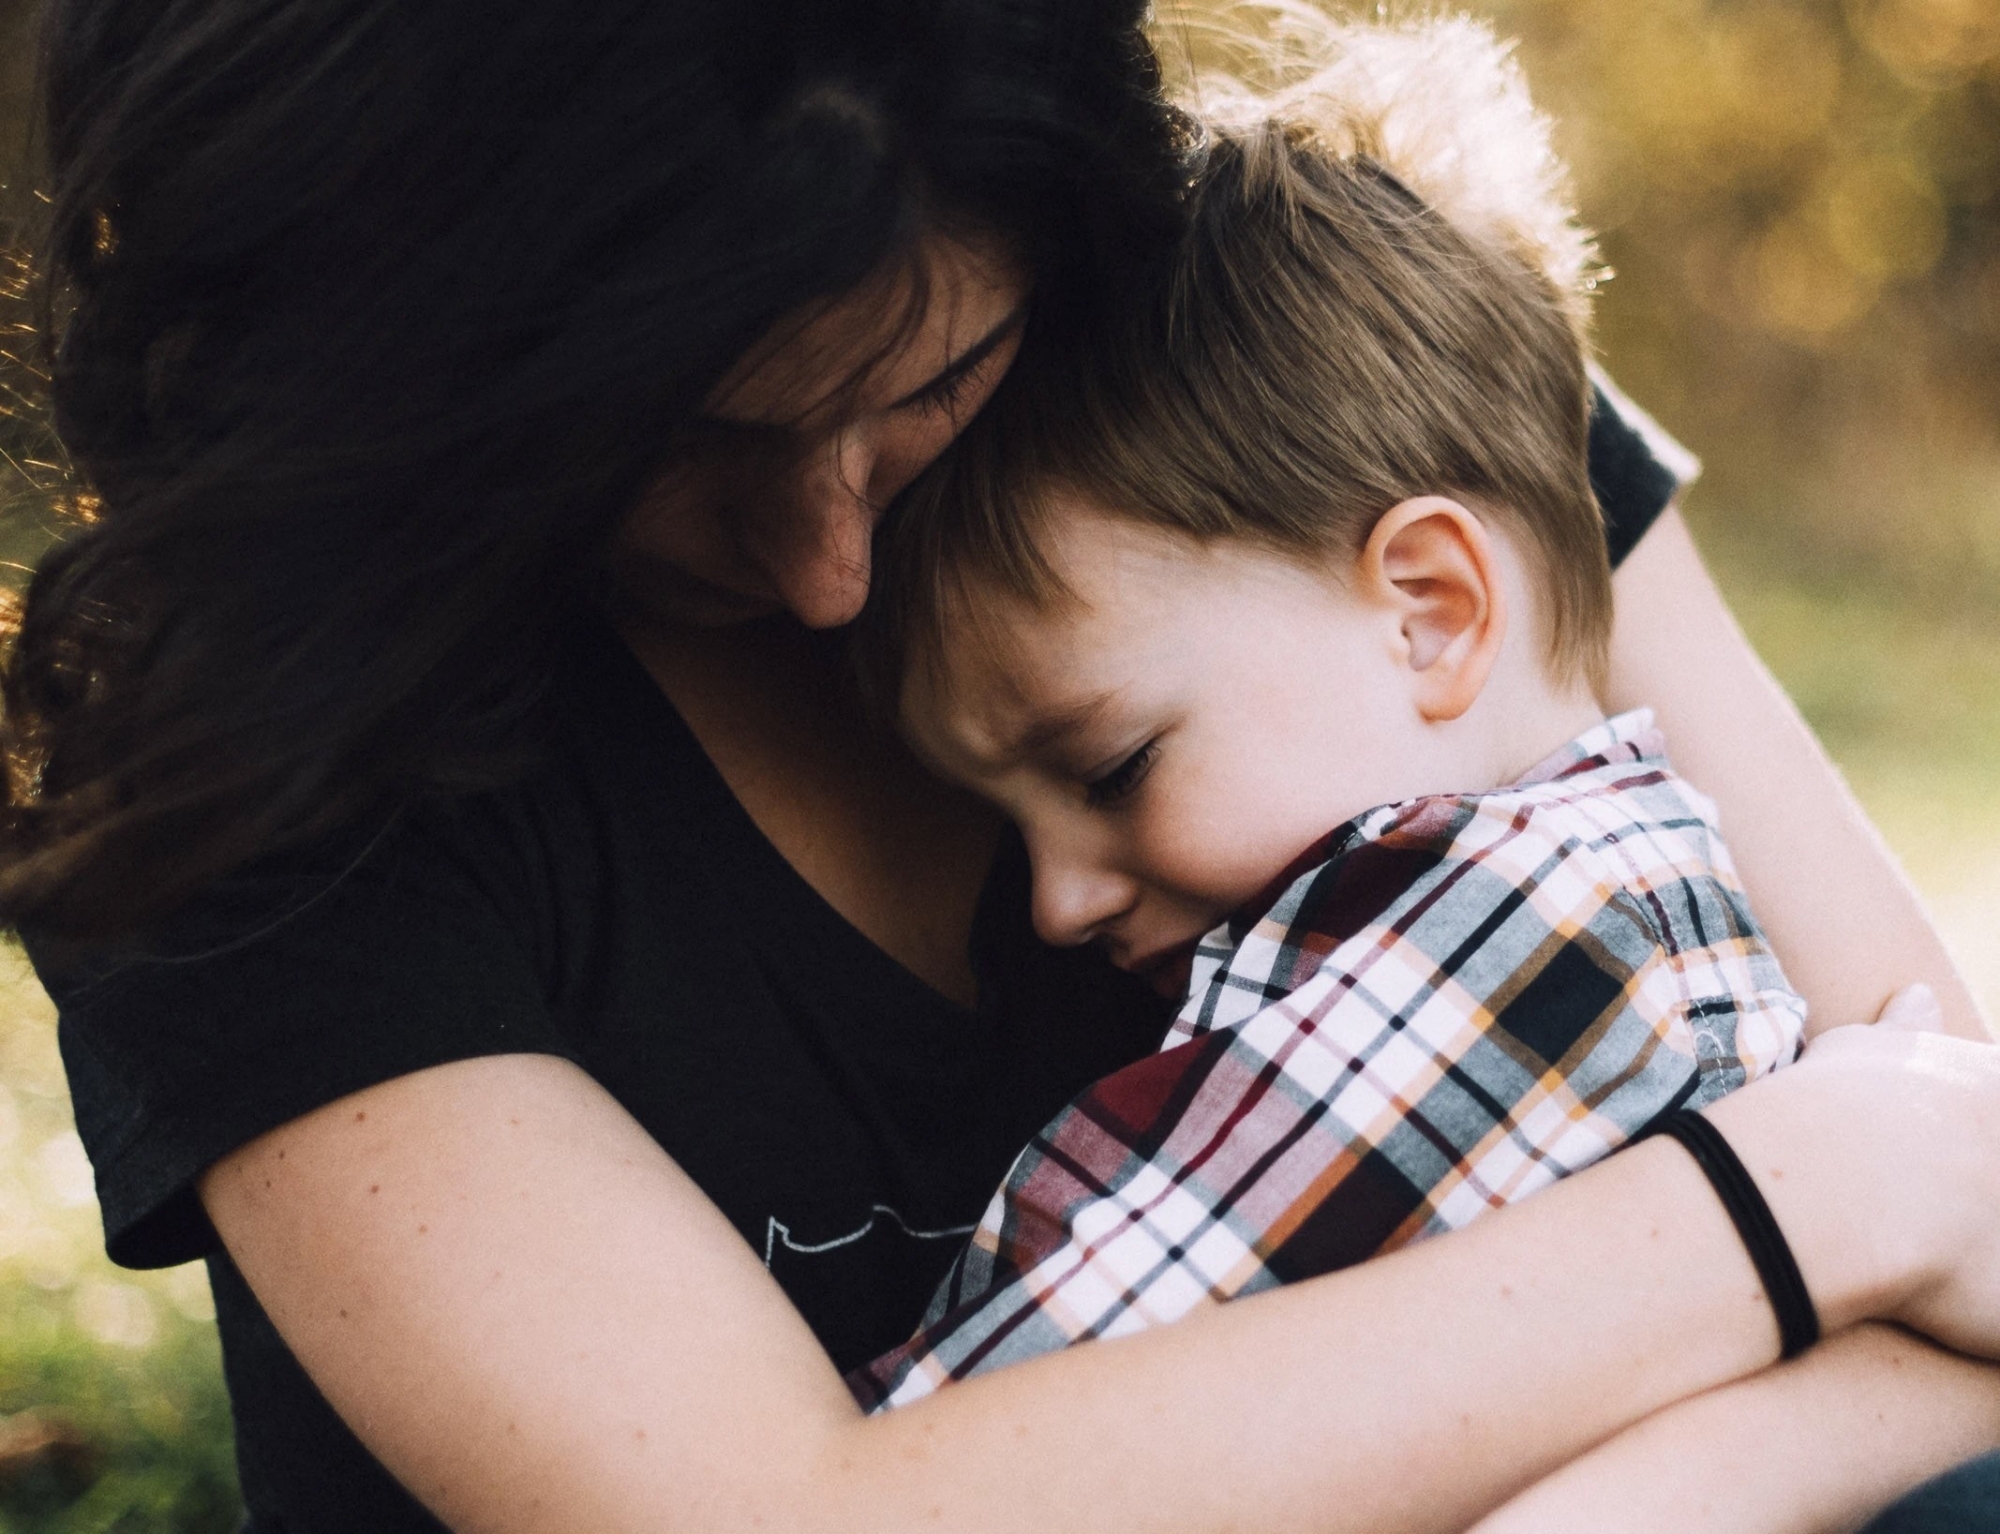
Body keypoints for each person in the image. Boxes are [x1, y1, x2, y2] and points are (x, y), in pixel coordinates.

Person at [2, 1, 1997, 1531]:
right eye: (668, 446)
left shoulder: (1319, 389)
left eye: (924, 391)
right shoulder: (247, 752)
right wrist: (1798, 1198)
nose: (826, 571)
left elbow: (1976, 1259)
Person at [850, 30, 1809, 1407]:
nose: (1055, 900)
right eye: (1012, 823)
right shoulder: (1631, 886)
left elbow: (1013, 1421)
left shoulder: (1515, 933)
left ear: (1429, 609)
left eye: (1113, 767)